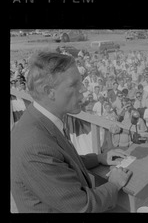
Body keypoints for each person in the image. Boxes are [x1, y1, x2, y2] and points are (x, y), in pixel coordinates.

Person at [11, 51, 132, 213]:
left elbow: (59, 163)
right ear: (49, 91)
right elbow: (82, 206)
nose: (83, 89)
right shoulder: (34, 146)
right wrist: (114, 184)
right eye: (74, 84)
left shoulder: (41, 121)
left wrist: (98, 158)